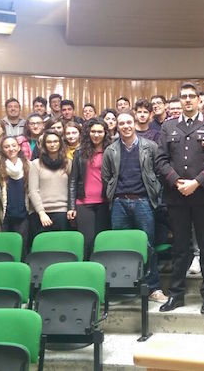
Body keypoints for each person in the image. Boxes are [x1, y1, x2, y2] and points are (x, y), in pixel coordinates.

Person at [155, 83, 204, 314]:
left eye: (191, 96)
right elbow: (160, 160)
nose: (187, 100)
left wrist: (196, 182)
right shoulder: (168, 126)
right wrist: (176, 181)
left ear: (198, 100)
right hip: (176, 196)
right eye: (183, 96)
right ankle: (176, 295)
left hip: (203, 195)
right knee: (179, 247)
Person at [102, 113, 168, 303]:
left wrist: (155, 194)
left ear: (135, 123)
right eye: (121, 123)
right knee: (121, 247)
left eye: (129, 122)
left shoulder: (150, 146)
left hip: (144, 202)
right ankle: (124, 287)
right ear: (117, 126)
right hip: (119, 203)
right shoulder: (110, 150)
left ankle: (153, 288)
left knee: (148, 246)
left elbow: (159, 173)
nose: (126, 126)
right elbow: (107, 177)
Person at [68, 118, 112, 260]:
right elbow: (73, 180)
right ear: (88, 133)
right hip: (84, 202)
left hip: (104, 202)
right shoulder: (80, 152)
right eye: (93, 131)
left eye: (100, 132)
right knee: (87, 241)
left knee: (101, 241)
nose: (96, 135)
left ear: (105, 133)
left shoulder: (111, 151)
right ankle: (86, 268)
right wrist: (71, 206)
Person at [0, 136, 31, 251]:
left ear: (19, 148)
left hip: (23, 217)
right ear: (2, 149)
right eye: (7, 146)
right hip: (2, 217)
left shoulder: (28, 166)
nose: (11, 149)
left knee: (21, 250)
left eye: (14, 145)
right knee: (3, 250)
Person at [28, 130, 71, 244]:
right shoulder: (36, 164)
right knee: (42, 247)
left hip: (63, 212)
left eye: (55, 141)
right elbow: (33, 191)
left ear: (60, 143)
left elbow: (72, 188)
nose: (52, 144)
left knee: (61, 246)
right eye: (49, 142)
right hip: (41, 213)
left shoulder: (68, 163)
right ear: (44, 145)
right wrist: (41, 212)